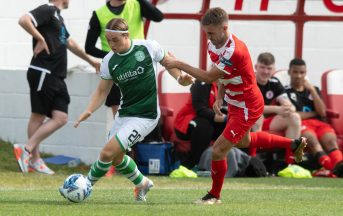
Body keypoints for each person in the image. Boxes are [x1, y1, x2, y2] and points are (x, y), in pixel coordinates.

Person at [163, 7, 307, 204]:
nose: (209, 37)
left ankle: (214, 195)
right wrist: (221, 96)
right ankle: (293, 143)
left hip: (248, 103)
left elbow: (207, 76)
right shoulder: (214, 44)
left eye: (212, 33)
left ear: (224, 28)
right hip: (235, 101)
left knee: (219, 150)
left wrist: (176, 62)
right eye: (206, 33)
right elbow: (221, 76)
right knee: (242, 142)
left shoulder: (235, 50)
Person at [68, 18, 193, 202]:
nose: (111, 45)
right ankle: (142, 183)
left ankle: (86, 186)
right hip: (124, 114)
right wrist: (89, 110)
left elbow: (169, 62)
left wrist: (180, 78)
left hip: (146, 115)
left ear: (126, 36)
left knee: (106, 153)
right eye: (108, 40)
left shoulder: (147, 47)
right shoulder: (109, 61)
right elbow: (102, 90)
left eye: (115, 40)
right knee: (116, 159)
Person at [13, 0, 100, 175]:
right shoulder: (48, 9)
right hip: (43, 71)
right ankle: (34, 158)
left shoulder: (58, 17)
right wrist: (40, 38)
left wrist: (91, 61)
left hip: (57, 75)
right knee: (37, 116)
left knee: (60, 117)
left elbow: (71, 43)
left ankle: (28, 151)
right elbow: (23, 20)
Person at [85, 0, 163, 117]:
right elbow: (89, 47)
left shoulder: (137, 4)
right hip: (117, 70)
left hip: (140, 66)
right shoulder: (99, 14)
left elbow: (158, 17)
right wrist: (115, 57)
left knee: (147, 114)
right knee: (121, 117)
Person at [285, 58, 343, 177]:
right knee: (312, 140)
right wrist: (314, 113)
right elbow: (295, 115)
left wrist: (312, 90)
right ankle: (332, 169)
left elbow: (322, 112)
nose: (299, 76)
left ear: (306, 73)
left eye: (302, 73)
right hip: (302, 124)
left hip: (320, 124)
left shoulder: (313, 90)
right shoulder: (285, 91)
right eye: (295, 72)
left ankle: (339, 165)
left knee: (331, 141)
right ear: (289, 72)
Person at [252, 52, 302, 165]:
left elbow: (289, 104)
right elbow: (251, 108)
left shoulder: (274, 82)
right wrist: (276, 109)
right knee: (257, 116)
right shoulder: (249, 81)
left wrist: (288, 107)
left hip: (267, 122)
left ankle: (291, 163)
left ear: (273, 69)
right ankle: (254, 159)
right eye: (262, 67)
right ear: (256, 67)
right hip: (248, 121)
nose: (265, 72)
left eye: (269, 68)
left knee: (294, 117)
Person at [174, 80, 226, 170]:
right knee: (204, 126)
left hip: (210, 123)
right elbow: (201, 111)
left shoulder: (230, 86)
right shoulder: (201, 83)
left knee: (235, 127)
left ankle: (238, 164)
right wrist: (227, 118)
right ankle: (193, 164)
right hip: (186, 122)